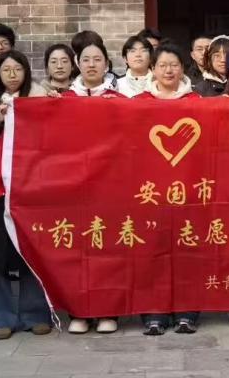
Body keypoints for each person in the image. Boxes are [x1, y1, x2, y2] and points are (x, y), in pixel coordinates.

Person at [0, 57, 52, 339]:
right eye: (6, 69)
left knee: (32, 251)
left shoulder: (40, 102)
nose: (12, 74)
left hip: (31, 186)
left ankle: (35, 314)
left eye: (18, 69)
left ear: (26, 73)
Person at [133, 44, 203, 334]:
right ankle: (154, 312)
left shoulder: (198, 102)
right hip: (150, 191)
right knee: (152, 251)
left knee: (188, 250)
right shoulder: (138, 103)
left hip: (189, 189)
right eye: (162, 65)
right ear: (152, 69)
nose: (169, 70)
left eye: (174, 64)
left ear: (183, 68)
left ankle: (187, 311)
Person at [65, 40, 124, 333]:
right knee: (77, 249)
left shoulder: (120, 100)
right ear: (78, 64)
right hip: (73, 185)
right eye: (86, 59)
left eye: (97, 59)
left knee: (107, 247)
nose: (91, 64)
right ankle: (79, 311)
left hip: (109, 184)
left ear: (106, 65)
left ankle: (107, 311)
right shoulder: (64, 99)